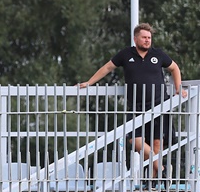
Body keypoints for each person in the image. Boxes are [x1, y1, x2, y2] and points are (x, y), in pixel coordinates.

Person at [79, 23, 187, 179]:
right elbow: (108, 68)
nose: (147, 41)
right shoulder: (125, 54)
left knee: (157, 143)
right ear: (135, 38)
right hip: (136, 107)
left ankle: (155, 178)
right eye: (144, 37)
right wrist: (89, 82)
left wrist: (178, 87)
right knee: (135, 141)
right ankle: (162, 168)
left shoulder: (158, 54)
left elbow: (174, 68)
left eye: (149, 38)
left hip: (160, 105)